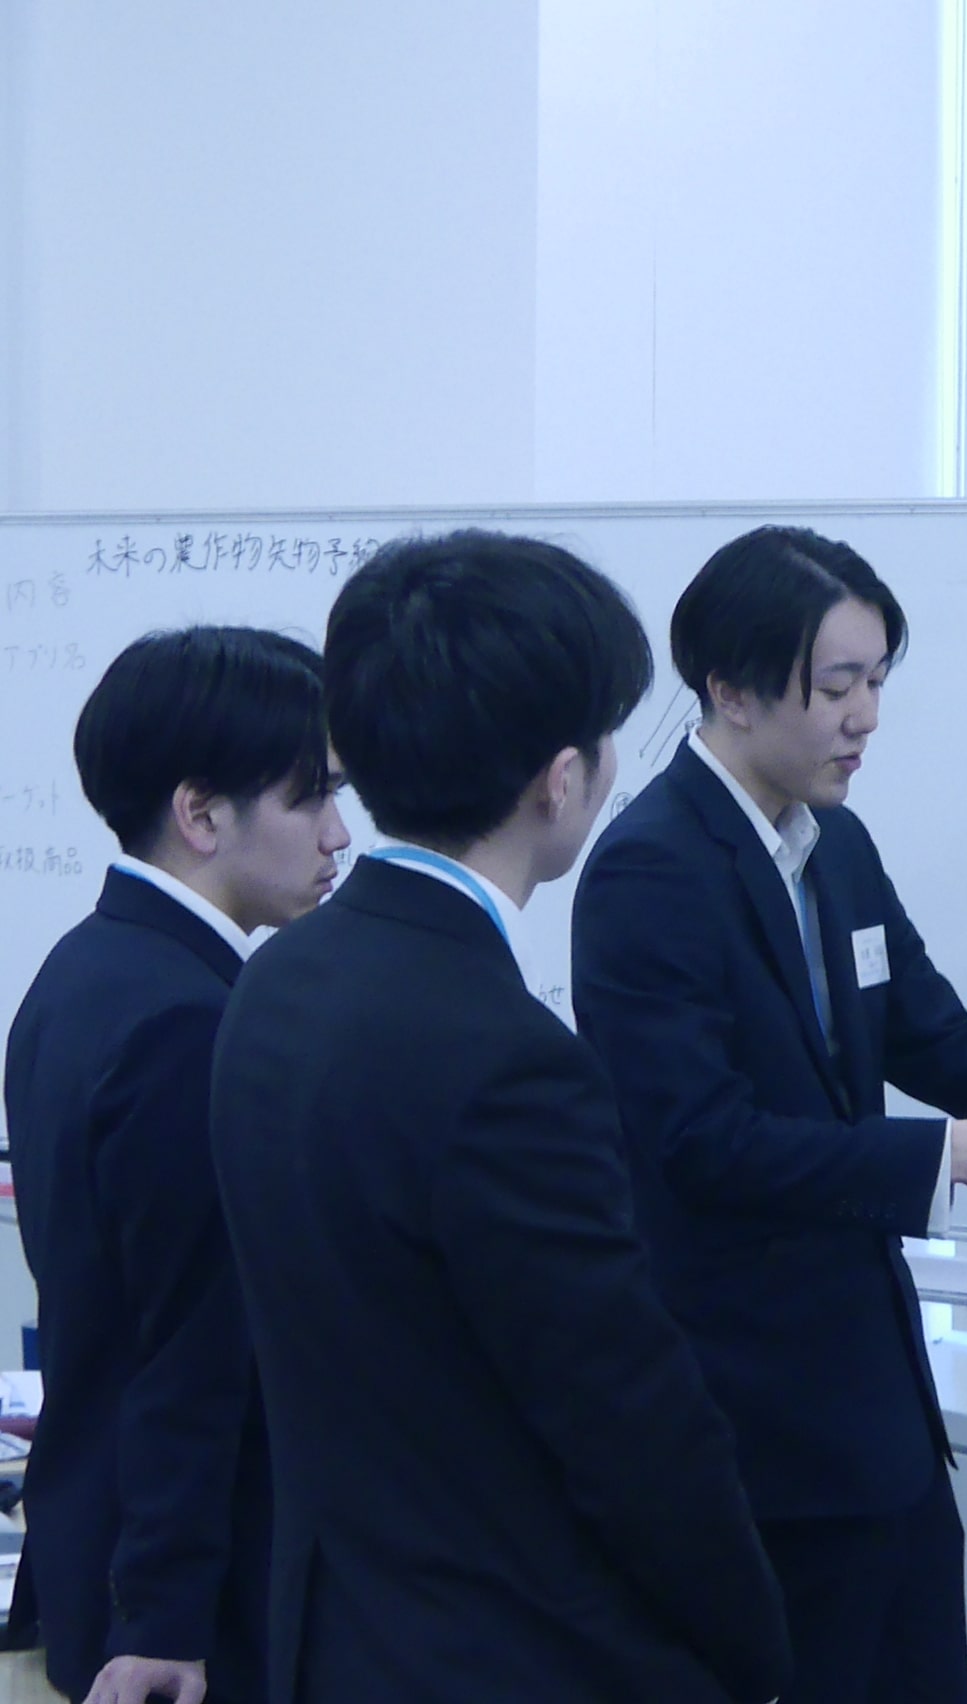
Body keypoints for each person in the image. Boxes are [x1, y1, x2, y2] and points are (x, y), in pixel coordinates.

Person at [572, 525, 967, 1704]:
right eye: (837, 685)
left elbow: (929, 1036)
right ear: (731, 690)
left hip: (876, 1405)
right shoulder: (651, 869)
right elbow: (699, 1142)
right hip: (750, 1415)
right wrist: (948, 1157)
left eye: (878, 681)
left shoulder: (835, 845)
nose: (867, 718)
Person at [208, 532, 789, 1704]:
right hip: (519, 1652)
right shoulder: (507, 1059)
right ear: (559, 779)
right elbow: (628, 1423)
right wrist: (757, 1652)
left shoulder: (277, 978)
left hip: (340, 1638)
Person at [3, 628, 348, 1704]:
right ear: (200, 814)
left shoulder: (80, 968)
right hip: (185, 1600)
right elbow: (189, 1351)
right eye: (310, 798)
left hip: (107, 1549)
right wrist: (166, 1618)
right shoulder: (186, 1024)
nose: (339, 835)